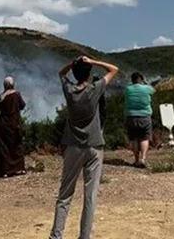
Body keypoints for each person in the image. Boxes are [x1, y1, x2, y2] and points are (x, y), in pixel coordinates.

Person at [49, 56, 119, 239]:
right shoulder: (95, 89)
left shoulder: (69, 91)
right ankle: (84, 236)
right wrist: (93, 61)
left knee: (64, 195)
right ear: (89, 74)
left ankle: (56, 236)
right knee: (90, 196)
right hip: (95, 145)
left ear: (74, 72)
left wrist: (72, 63)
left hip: (73, 146)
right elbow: (113, 69)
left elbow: (60, 73)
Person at [0, 76, 27, 178]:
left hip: (3, 124)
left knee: (4, 148)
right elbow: (22, 105)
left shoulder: (2, 96)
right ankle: (19, 169)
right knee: (16, 145)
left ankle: (4, 171)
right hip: (14, 123)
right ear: (13, 84)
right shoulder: (16, 95)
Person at [123, 72, 154, 169]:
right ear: (141, 79)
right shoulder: (146, 88)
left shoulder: (128, 89)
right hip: (145, 116)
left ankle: (136, 160)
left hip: (131, 116)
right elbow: (154, 90)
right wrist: (145, 82)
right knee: (144, 138)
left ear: (132, 80)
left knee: (134, 138)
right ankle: (143, 159)